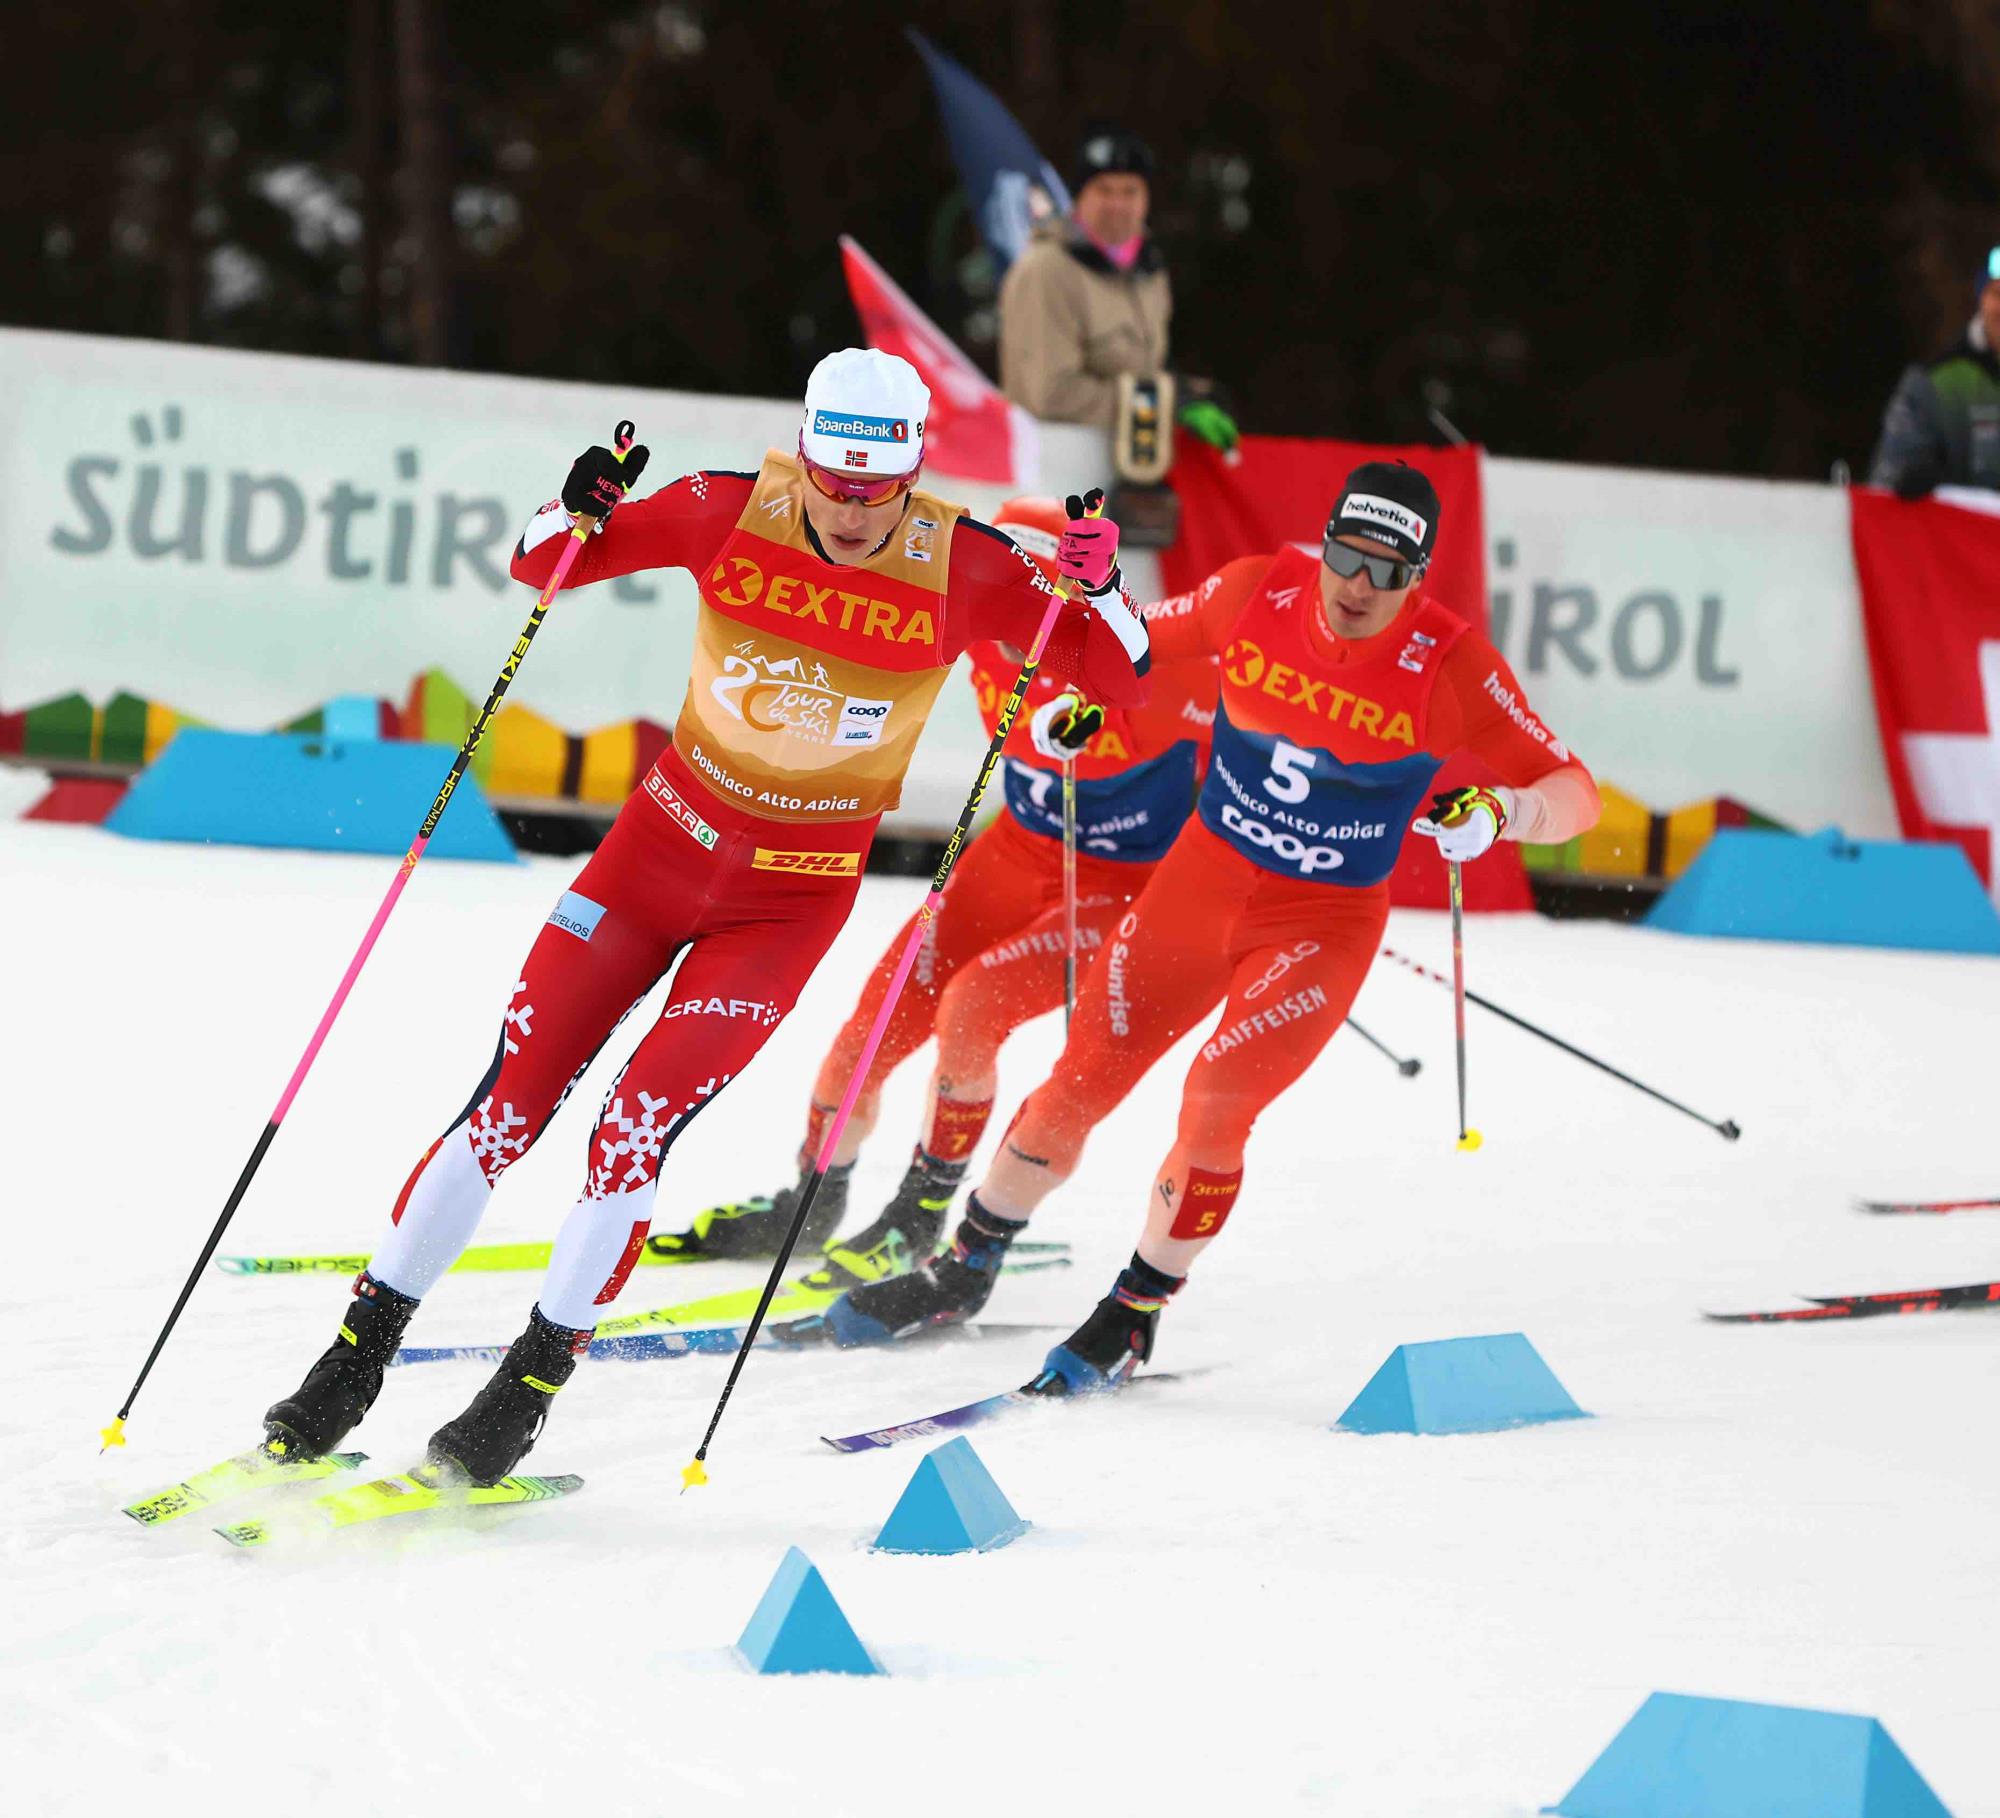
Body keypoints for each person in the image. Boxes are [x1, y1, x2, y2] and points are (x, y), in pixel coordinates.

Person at [255, 350, 1150, 1483]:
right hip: (650, 860)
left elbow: (1117, 675)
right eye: (833, 483)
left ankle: (528, 1384)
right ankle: (354, 1357)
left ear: (915, 472)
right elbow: (543, 561)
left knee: (630, 1129)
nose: (850, 513)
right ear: (805, 455)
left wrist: (1101, 590)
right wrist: (577, 504)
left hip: (785, 901)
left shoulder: (967, 564)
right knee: (506, 1106)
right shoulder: (728, 507)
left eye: (877, 492)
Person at [820, 460, 1601, 1387]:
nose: (1359, 586)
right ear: (1325, 544)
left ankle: (1135, 1310)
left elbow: (1573, 788)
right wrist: (1089, 648)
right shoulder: (1256, 592)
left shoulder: (1450, 662)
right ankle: (967, 1264)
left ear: (1418, 577)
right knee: (1083, 1075)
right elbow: (1135, 642)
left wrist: (1507, 813)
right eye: (1348, 557)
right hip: (1198, 888)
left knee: (1217, 1098)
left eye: (1388, 571)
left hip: (1319, 923)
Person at [662, 495, 1220, 1283]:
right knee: (876, 1020)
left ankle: (919, 1217)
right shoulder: (972, 624)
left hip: (1118, 884)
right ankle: (810, 1202)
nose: (1014, 604)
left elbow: (1263, 730)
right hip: (1016, 852)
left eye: (1039, 583)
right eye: (1004, 577)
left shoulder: (1158, 665)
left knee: (973, 1008)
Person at [998, 128, 1238, 454]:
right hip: (1057, 465)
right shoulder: (1046, 270)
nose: (1117, 204)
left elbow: (1146, 367)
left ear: (1146, 199)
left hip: (1128, 462)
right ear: (1080, 196)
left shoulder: (1148, 269)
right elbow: (1050, 396)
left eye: (1130, 191)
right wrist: (1164, 403)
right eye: (1104, 190)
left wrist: (1191, 393)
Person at [1868, 245, 2000, 498]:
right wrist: (1911, 476)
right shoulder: (1935, 381)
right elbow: (1887, 478)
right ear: (1981, 299)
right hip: (1963, 523)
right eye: (1998, 293)